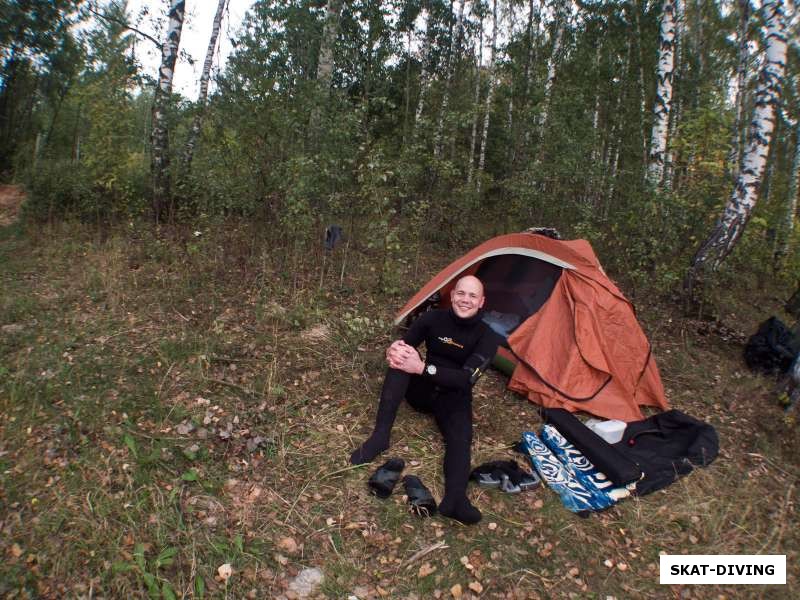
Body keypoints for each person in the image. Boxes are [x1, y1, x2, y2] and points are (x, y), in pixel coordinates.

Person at [349, 275, 501, 524]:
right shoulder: (432, 318)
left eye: (472, 296)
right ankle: (380, 437)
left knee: (460, 438)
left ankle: (455, 499)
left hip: (453, 396)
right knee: (400, 362)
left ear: (481, 302)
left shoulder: (488, 336)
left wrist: (423, 368)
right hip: (420, 392)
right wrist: (394, 350)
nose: (465, 300)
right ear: (452, 296)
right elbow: (405, 346)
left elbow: (466, 380)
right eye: (461, 293)